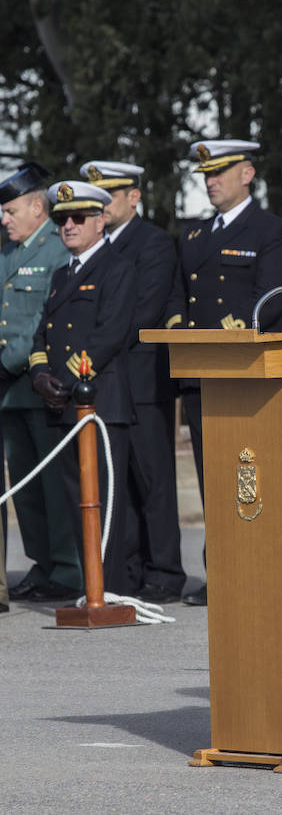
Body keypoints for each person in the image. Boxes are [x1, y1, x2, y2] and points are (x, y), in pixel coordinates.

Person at [166, 139, 282, 605]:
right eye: (206, 174)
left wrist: (234, 335)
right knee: (211, 477)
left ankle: (258, 569)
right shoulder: (195, 235)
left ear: (248, 174)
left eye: (220, 172)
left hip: (244, 372)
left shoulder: (271, 230)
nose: (210, 181)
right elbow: (178, 295)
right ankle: (219, 571)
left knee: (251, 475)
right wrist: (181, 331)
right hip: (203, 374)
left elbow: (273, 296)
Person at [80, 160, 185, 603]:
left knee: (153, 479)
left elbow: (140, 312)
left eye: (110, 197)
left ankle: (164, 573)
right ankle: (126, 570)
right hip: (107, 380)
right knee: (115, 481)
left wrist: (94, 345)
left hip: (142, 380)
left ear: (134, 197)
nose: (102, 206)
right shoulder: (97, 247)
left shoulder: (154, 243)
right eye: (97, 199)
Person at [29, 180, 136, 596]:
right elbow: (43, 334)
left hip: (100, 403)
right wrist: (40, 376)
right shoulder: (60, 274)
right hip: (62, 404)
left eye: (77, 218)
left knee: (105, 503)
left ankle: (112, 589)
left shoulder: (118, 267)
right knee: (78, 503)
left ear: (100, 220)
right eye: (61, 219)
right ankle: (91, 586)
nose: (68, 225)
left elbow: (110, 335)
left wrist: (67, 380)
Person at [0, 163, 82, 602]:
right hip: (10, 394)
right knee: (25, 491)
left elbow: (41, 322)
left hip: (38, 383)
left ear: (37, 206)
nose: (4, 219)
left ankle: (69, 568)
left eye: (11, 210)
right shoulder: (8, 255)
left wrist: (12, 362)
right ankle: (43, 562)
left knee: (53, 483)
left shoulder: (56, 249)